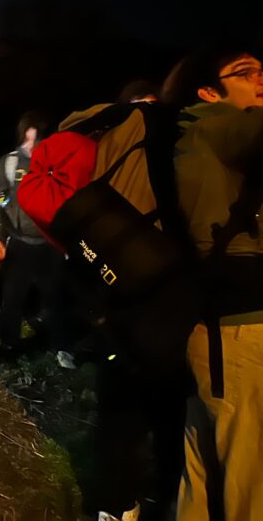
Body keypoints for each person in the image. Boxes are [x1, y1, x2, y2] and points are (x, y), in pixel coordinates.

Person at [160, 48, 263, 521]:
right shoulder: (219, 124)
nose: (260, 78)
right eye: (245, 73)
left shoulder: (192, 135)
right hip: (241, 331)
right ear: (208, 90)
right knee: (250, 483)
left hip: (211, 329)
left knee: (201, 473)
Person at [0, 112, 74, 367]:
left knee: (57, 298)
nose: (32, 148)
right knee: (12, 298)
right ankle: (9, 345)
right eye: (27, 141)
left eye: (37, 142)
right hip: (20, 243)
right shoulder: (9, 164)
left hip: (51, 244)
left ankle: (63, 348)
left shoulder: (58, 165)